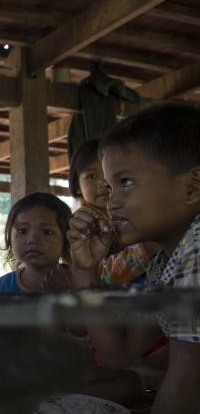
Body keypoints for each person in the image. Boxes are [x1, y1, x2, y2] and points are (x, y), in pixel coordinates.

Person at [68, 101, 200, 413]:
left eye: (125, 182)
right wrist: (86, 271)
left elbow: (189, 378)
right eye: (110, 188)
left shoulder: (197, 248)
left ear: (192, 188)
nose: (111, 202)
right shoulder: (164, 265)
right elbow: (119, 354)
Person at [69, 139, 156, 285]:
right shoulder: (83, 223)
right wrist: (148, 248)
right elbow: (103, 275)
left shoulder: (129, 210)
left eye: (109, 175)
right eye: (91, 176)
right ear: (77, 185)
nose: (103, 183)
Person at [0, 192, 72, 293]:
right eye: (22, 231)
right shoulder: (4, 286)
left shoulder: (77, 281)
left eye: (47, 232)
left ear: (66, 238)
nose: (32, 239)